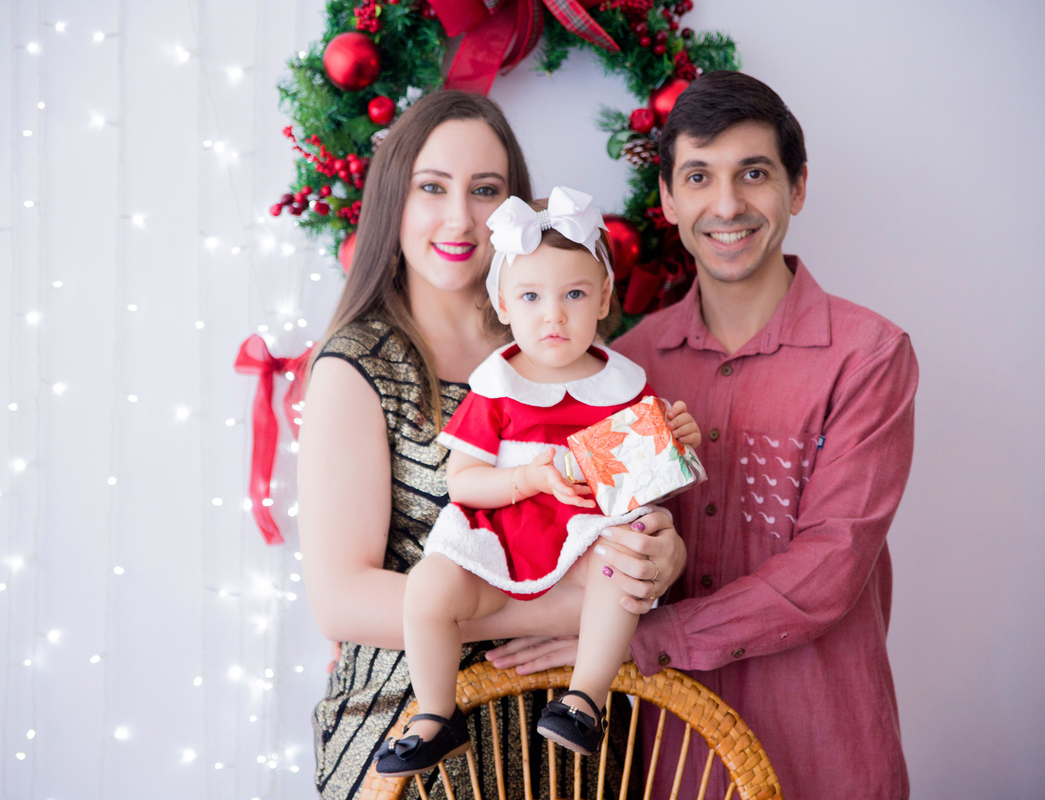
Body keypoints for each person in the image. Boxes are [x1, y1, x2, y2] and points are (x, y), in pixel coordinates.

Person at [489, 71, 918, 800]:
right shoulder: (627, 366)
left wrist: (653, 639)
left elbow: (831, 567)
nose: (726, 205)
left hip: (828, 745)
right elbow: (580, 524)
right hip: (676, 756)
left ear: (798, 188)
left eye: (754, 173)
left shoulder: (868, 354)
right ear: (667, 199)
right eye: (698, 176)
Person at [296, 92, 688, 800]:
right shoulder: (360, 365)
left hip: (569, 727)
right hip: (413, 723)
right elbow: (342, 600)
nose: (460, 218)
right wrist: (563, 606)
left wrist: (660, 558)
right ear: (394, 202)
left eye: (486, 191)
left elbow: (632, 510)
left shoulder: (569, 349)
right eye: (432, 188)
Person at [373, 187, 702, 776]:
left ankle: (586, 697)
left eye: (574, 294)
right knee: (426, 588)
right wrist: (527, 477)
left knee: (620, 563)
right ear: (503, 302)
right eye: (532, 296)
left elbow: (645, 489)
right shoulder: (497, 386)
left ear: (604, 298)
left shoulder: (621, 386)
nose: (554, 315)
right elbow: (465, 483)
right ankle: (435, 714)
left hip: (582, 553)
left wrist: (673, 442)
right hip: (497, 553)